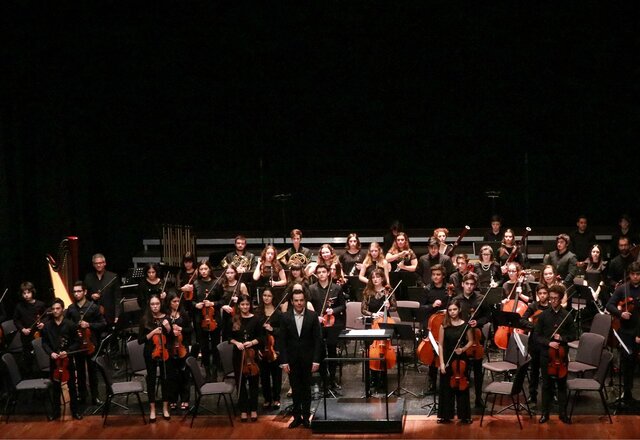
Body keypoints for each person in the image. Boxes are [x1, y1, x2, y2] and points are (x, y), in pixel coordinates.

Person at [278, 288, 323, 429]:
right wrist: (284, 361)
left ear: (305, 301)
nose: (299, 303)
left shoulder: (312, 316)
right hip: (292, 359)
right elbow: (282, 341)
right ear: (292, 302)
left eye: (301, 300)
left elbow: (318, 340)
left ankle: (306, 417)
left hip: (308, 359)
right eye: (296, 300)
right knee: (296, 389)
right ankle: (296, 417)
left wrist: (316, 360)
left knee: (306, 389)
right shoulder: (285, 317)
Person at [535, 284, 576, 424]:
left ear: (561, 299)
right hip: (546, 356)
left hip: (562, 356)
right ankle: (545, 413)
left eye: (555, 298)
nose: (552, 301)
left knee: (562, 385)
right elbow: (537, 336)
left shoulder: (567, 316)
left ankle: (563, 414)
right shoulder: (543, 315)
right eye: (551, 298)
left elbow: (573, 335)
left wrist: (562, 338)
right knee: (546, 385)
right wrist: (549, 343)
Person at [65, 280, 106, 406]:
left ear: (85, 292)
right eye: (74, 292)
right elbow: (66, 325)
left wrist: (89, 325)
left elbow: (103, 324)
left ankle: (95, 396)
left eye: (79, 291)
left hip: (90, 343)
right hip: (77, 344)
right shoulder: (71, 309)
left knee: (93, 371)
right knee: (80, 371)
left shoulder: (93, 307)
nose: (76, 294)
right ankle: (82, 396)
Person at [42, 297, 84, 420]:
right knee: (55, 387)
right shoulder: (47, 326)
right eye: (53, 309)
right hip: (54, 361)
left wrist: (68, 351)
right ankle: (56, 412)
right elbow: (44, 343)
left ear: (62, 309)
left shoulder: (70, 324)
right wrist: (51, 353)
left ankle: (75, 411)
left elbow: (78, 342)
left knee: (72, 386)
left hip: (67, 360)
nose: (55, 311)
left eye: (58, 308)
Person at [453, 272, 490, 408]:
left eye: (472, 284)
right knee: (461, 371)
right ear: (462, 284)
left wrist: (478, 322)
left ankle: (478, 398)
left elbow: (488, 316)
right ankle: (462, 401)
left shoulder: (481, 299)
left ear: (475, 286)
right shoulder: (456, 300)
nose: (469, 286)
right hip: (461, 339)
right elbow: (451, 317)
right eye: (467, 284)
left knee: (478, 371)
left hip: (476, 339)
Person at [308, 264, 346, 391]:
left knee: (332, 350)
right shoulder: (311, 288)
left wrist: (333, 311)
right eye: (319, 272)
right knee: (320, 352)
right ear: (316, 274)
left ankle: (332, 379)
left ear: (328, 273)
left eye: (324, 272)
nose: (321, 274)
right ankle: (324, 379)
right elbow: (308, 306)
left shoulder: (336, 288)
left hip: (333, 324)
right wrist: (315, 317)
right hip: (318, 324)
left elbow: (343, 306)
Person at [607, 261, 640, 407]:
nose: (635, 277)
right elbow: (609, 305)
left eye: (638, 274)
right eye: (633, 274)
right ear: (629, 275)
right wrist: (620, 314)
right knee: (627, 363)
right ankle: (627, 393)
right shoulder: (622, 289)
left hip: (639, 330)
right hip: (626, 331)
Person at [436, 299, 474, 425]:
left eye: (455, 309)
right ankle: (445, 415)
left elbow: (471, 341)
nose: (452, 312)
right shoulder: (444, 325)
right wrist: (442, 363)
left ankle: (464, 416)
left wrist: (462, 349)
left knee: (462, 388)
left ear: (459, 310)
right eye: (450, 310)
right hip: (448, 358)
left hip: (461, 359)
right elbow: (440, 345)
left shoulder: (465, 325)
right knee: (446, 387)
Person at [228, 294, 263, 422]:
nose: (245, 307)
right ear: (239, 305)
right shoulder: (234, 319)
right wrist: (237, 343)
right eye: (242, 304)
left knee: (254, 382)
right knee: (241, 382)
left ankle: (253, 409)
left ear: (250, 305)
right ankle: (243, 409)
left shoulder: (256, 319)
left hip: (252, 355)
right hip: (238, 355)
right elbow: (228, 337)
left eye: (247, 304)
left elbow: (261, 337)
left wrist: (252, 342)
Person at [138, 294, 173, 422]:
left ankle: (165, 408)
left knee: (165, 380)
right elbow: (140, 340)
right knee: (151, 380)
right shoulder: (145, 319)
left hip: (165, 352)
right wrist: (152, 332)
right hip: (150, 352)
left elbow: (172, 338)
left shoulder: (166, 317)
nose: (155, 306)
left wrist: (168, 328)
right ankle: (152, 409)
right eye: (152, 304)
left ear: (160, 304)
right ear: (149, 305)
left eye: (157, 304)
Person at [360, 268, 396, 393]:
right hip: (372, 323)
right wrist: (373, 314)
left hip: (385, 322)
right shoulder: (367, 292)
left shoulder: (388, 291)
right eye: (373, 277)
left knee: (384, 349)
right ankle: (373, 377)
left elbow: (395, 307)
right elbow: (363, 310)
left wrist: (389, 306)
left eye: (378, 277)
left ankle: (383, 378)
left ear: (382, 278)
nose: (375, 279)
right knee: (372, 350)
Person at [420, 264, 454, 393]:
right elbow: (421, 307)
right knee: (433, 355)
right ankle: (432, 383)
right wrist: (432, 306)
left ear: (443, 276)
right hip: (432, 325)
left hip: (447, 324)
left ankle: (448, 381)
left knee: (448, 352)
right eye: (433, 274)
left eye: (438, 274)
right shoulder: (427, 289)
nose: (435, 277)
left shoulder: (449, 288)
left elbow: (456, 305)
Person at [520, 284, 551, 405]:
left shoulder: (551, 307)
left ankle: (550, 395)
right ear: (537, 294)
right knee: (534, 370)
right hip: (535, 342)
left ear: (548, 294)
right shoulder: (533, 306)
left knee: (547, 371)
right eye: (540, 293)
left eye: (544, 293)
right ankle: (532, 395)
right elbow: (522, 320)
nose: (542, 296)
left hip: (547, 342)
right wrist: (534, 326)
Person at [194, 260, 223, 380]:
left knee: (215, 346)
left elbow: (222, 301)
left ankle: (215, 371)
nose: (203, 271)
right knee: (204, 346)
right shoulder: (196, 283)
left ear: (210, 270)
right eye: (201, 269)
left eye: (205, 269)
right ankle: (207, 372)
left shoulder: (217, 283)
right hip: (200, 319)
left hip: (214, 318)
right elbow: (190, 302)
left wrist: (213, 303)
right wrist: (196, 305)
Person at [255, 288, 283, 411]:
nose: (266, 298)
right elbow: (255, 332)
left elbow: (283, 331)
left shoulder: (278, 314)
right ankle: (267, 398)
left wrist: (272, 329)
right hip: (262, 347)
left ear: (273, 297)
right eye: (264, 295)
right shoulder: (258, 312)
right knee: (264, 375)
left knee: (276, 375)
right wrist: (257, 349)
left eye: (269, 296)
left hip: (275, 347)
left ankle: (276, 398)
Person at [13, 281, 47, 378]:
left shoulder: (40, 304)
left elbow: (46, 317)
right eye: (24, 293)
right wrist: (22, 329)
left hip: (39, 334)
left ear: (32, 292)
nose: (26, 295)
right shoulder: (19, 306)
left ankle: (43, 375)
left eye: (28, 292)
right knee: (28, 357)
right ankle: (31, 377)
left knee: (40, 355)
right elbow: (16, 320)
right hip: (26, 335)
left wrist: (43, 323)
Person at [166, 291, 192, 411]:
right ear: (169, 302)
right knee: (172, 375)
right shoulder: (166, 316)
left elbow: (190, 329)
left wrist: (181, 329)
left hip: (182, 347)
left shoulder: (183, 314)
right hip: (170, 347)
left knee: (184, 374)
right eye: (174, 301)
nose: (176, 303)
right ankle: (172, 399)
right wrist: (171, 331)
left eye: (178, 301)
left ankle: (185, 399)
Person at [83, 253, 121, 329]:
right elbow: (84, 295)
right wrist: (91, 296)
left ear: (104, 263)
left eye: (100, 263)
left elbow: (117, 298)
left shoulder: (113, 277)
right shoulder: (88, 277)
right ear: (93, 265)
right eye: (96, 263)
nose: (98, 265)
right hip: (93, 315)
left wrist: (117, 315)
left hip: (109, 315)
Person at [386, 232, 418, 300]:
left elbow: (415, 267)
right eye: (398, 240)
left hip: (407, 279)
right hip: (394, 279)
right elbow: (387, 259)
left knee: (406, 298)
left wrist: (403, 267)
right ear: (396, 241)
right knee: (395, 298)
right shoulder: (392, 251)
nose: (400, 242)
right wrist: (400, 254)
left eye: (402, 240)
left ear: (405, 241)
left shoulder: (410, 251)